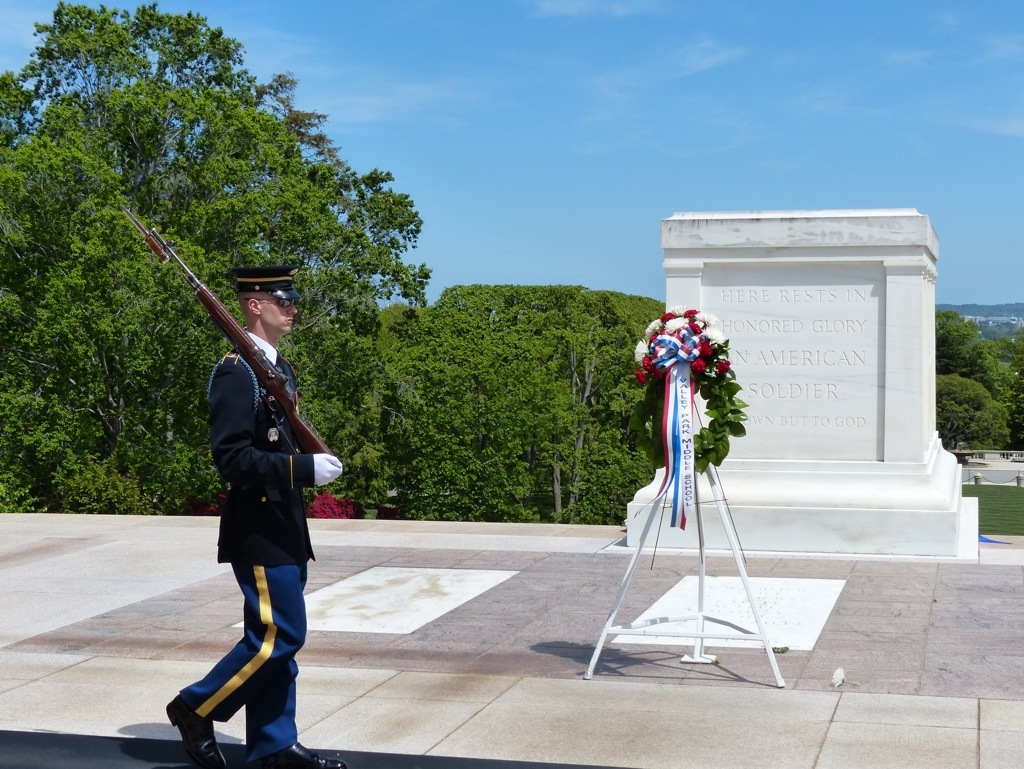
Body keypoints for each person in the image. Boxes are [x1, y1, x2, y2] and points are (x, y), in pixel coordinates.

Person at [166, 265, 346, 769]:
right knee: (279, 637)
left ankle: (273, 745)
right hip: (259, 527)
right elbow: (232, 458)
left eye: (292, 299)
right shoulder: (236, 372)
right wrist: (303, 469)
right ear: (254, 305)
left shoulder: (276, 367)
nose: (293, 308)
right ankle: (195, 707)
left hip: (285, 527)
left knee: (276, 644)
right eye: (283, 300)